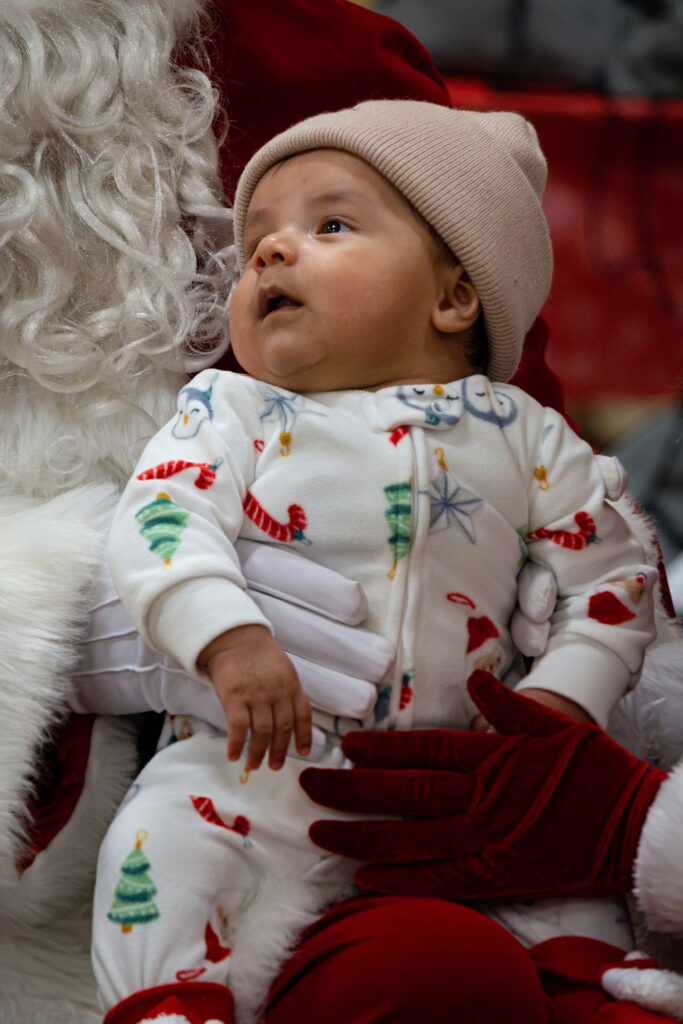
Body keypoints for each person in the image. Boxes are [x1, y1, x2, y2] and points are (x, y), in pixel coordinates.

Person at [99, 99, 658, 1023]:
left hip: (468, 783)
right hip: (260, 765)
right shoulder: (231, 413)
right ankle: (167, 1003)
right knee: (162, 840)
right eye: (256, 243)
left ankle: (583, 991)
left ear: (453, 298)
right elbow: (161, 513)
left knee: (563, 897)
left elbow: (611, 579)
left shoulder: (530, 439)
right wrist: (225, 634)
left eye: (329, 225)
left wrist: (559, 705)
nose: (271, 253)